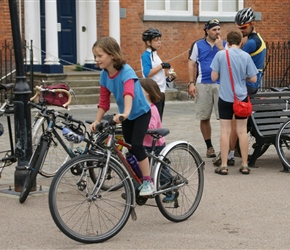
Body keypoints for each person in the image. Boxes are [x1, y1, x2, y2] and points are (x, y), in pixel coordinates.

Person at [90, 36, 154, 196]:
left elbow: (128, 93)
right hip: (126, 117)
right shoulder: (104, 75)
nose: (97, 60)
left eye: (100, 56)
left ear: (112, 55)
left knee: (137, 146)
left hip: (140, 113)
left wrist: (124, 113)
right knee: (130, 149)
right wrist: (97, 120)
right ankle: (136, 179)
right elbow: (103, 102)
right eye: (95, 56)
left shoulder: (126, 71)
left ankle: (148, 182)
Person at [210, 30, 258, 175]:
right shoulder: (246, 56)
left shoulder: (220, 55)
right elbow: (254, 79)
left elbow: (213, 77)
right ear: (240, 42)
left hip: (225, 97)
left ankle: (224, 165)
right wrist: (244, 78)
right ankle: (244, 164)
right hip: (241, 98)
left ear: (228, 42)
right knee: (242, 131)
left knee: (225, 131)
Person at [227, 7, 267, 166]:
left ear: (252, 24)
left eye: (243, 27)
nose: (241, 30)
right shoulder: (258, 39)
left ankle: (229, 154)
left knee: (233, 121)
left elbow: (233, 60)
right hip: (254, 83)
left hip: (248, 85)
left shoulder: (251, 43)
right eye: (238, 28)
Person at [188, 18, 226, 158]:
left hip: (221, 84)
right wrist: (191, 83)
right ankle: (209, 146)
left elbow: (229, 60)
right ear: (207, 31)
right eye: (214, 29)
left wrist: (221, 48)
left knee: (224, 118)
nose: (217, 32)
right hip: (202, 83)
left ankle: (225, 146)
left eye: (218, 29)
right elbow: (191, 63)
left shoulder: (224, 44)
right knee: (204, 117)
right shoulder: (198, 45)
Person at [140, 78, 174, 203]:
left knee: (161, 170)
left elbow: (152, 127)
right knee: (140, 168)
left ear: (147, 92)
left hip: (156, 143)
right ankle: (140, 190)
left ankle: (170, 190)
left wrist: (140, 126)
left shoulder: (152, 109)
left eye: (139, 90)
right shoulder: (141, 107)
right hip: (144, 144)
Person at [141, 28, 172, 120]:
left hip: (161, 91)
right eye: (156, 40)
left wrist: (170, 77)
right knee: (154, 119)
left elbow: (159, 75)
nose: (159, 42)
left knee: (159, 119)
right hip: (152, 91)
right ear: (148, 42)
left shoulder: (155, 55)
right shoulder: (146, 55)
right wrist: (162, 66)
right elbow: (147, 73)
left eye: (160, 40)